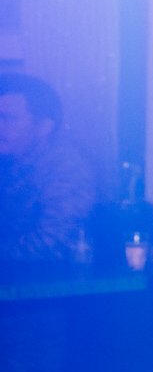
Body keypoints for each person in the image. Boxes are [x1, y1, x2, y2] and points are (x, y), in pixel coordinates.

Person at [0, 73, 95, 267]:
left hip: (50, 280)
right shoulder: (11, 162)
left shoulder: (65, 167)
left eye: (9, 119)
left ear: (44, 127)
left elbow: (53, 243)